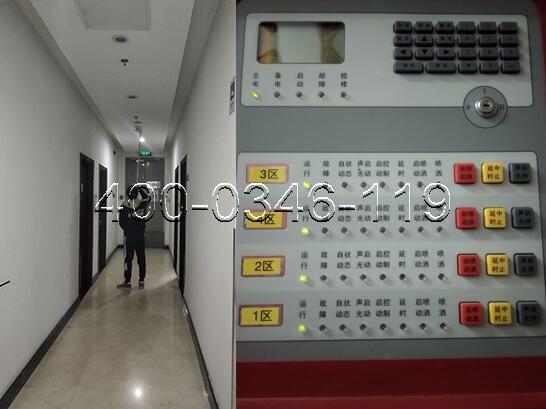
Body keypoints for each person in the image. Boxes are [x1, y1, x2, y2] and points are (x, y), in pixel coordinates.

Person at [118, 184, 151, 289]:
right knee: (141, 258)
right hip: (140, 236)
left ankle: (127, 281)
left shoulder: (124, 206)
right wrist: (140, 188)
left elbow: (121, 223)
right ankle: (141, 280)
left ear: (127, 194)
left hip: (129, 237)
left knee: (128, 258)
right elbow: (148, 197)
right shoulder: (142, 204)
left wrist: (129, 229)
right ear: (137, 193)